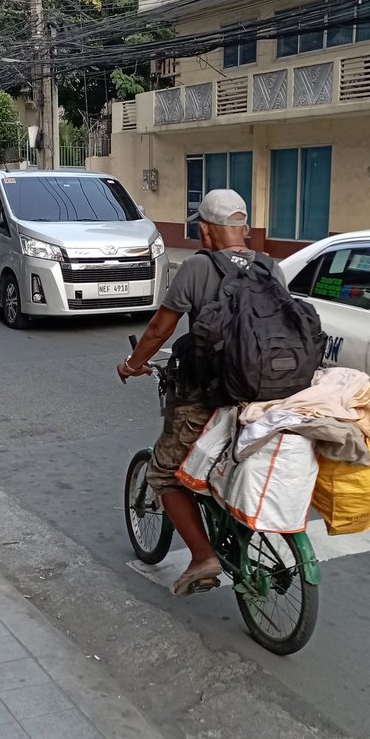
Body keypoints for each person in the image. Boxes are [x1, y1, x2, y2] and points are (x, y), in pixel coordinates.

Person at [117, 189, 285, 597]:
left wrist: (132, 364)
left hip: (205, 396)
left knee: (163, 473)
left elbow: (160, 329)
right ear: (243, 228)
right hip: (263, 396)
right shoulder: (271, 268)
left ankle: (203, 557)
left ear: (206, 231)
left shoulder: (197, 268)